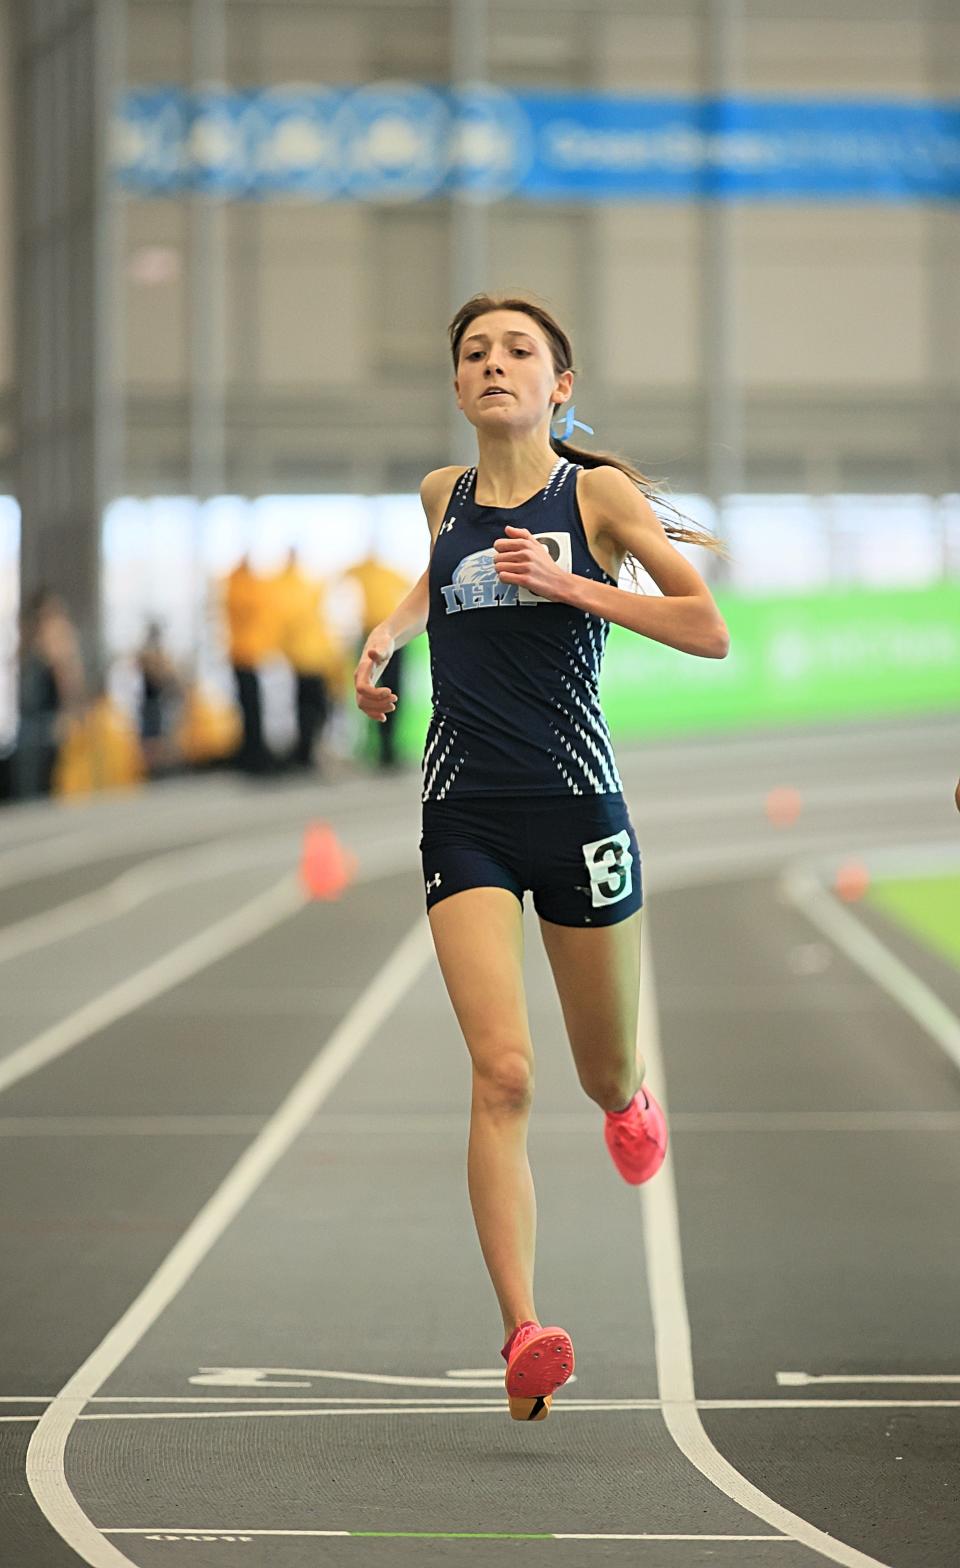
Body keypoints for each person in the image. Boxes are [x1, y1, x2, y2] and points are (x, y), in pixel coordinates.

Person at [353, 294, 729, 1423]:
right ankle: (524, 1330)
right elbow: (437, 581)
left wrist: (570, 582)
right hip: (463, 812)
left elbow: (707, 626)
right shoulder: (443, 495)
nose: (494, 364)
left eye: (519, 351)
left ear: (559, 385)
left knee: (597, 1067)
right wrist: (385, 635)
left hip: (581, 810)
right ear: (458, 386)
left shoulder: (595, 496)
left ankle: (629, 1097)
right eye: (474, 352)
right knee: (503, 1071)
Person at [274, 550, 344, 770]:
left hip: (309, 658)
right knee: (312, 708)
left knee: (310, 708)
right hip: (307, 659)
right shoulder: (296, 587)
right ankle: (305, 753)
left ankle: (306, 752)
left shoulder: (296, 585)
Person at [14, 588, 86, 799]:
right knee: (29, 788)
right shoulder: (31, 642)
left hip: (48, 725)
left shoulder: (58, 639)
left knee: (46, 786)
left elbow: (69, 682)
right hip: (30, 726)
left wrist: (70, 714)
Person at [343, 551, 412, 769]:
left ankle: (388, 747)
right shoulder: (361, 569)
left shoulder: (388, 572)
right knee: (367, 691)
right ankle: (371, 745)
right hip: (373, 633)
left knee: (392, 694)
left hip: (392, 638)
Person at [222, 555, 276, 774]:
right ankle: (252, 755)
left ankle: (254, 752)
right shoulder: (238, 586)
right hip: (243, 656)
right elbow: (251, 610)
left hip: (249, 655)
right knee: (250, 707)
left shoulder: (241, 585)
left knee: (252, 707)